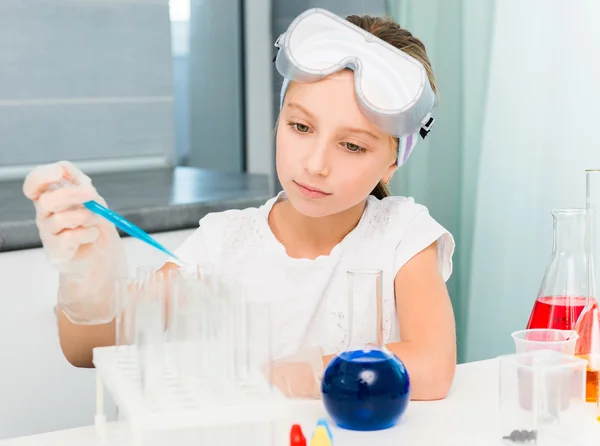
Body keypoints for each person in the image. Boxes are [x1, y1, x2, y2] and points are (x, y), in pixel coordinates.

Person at [22, 10, 456, 401]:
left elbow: (433, 369)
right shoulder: (224, 242)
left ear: (391, 163)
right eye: (300, 126)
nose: (315, 163)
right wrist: (86, 278)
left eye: (352, 145)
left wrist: (282, 376)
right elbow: (87, 349)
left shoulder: (402, 235)